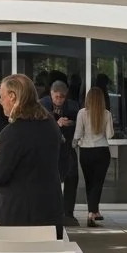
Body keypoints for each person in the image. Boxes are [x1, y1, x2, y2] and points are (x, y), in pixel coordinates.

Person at [0, 74, 64, 236]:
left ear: (12, 97)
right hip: (50, 210)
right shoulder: (51, 125)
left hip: (19, 217)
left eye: (2, 97)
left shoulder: (13, 132)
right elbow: (63, 164)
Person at [43, 81, 83, 227]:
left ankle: (68, 213)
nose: (59, 100)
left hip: (67, 148)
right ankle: (51, 212)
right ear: (51, 94)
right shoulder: (42, 105)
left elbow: (79, 123)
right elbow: (40, 123)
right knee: (51, 180)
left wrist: (69, 123)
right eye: (56, 97)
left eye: (62, 97)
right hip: (49, 149)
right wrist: (56, 123)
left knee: (72, 177)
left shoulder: (72, 106)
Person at [75, 86, 114, 227]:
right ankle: (92, 213)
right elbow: (110, 135)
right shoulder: (107, 114)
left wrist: (74, 143)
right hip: (102, 150)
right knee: (98, 183)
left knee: (89, 183)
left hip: (85, 151)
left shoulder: (82, 113)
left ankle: (93, 211)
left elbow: (78, 133)